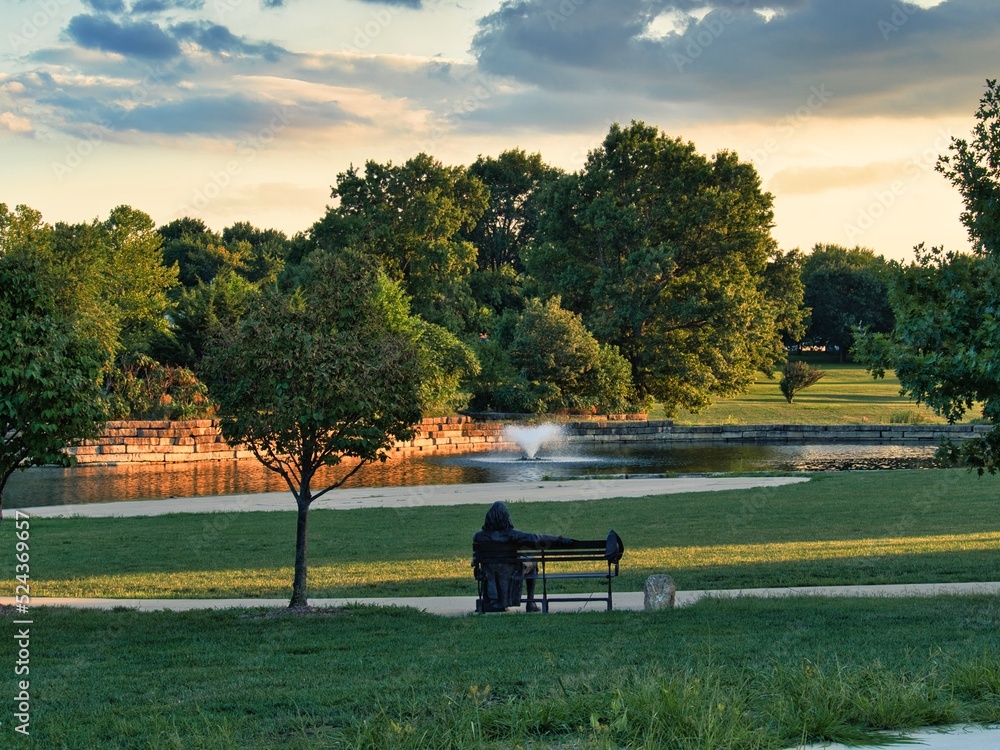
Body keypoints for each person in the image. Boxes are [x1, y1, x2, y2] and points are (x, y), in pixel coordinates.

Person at [473, 501, 574, 612]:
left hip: (490, 571)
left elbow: (476, 557)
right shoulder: (512, 535)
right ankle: (530, 603)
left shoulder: (479, 536)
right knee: (533, 562)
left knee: (519, 563)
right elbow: (536, 538)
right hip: (513, 571)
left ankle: (495, 601)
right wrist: (558, 539)